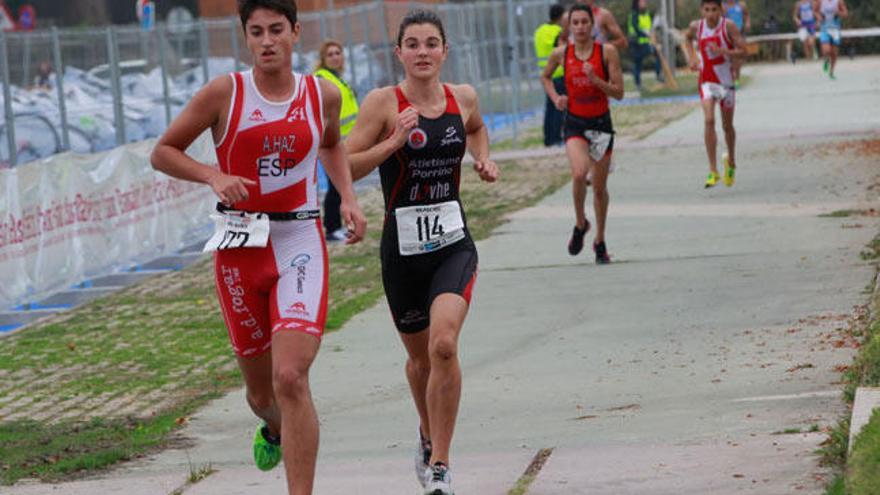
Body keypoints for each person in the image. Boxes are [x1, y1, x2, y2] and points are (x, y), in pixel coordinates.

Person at [150, 1, 367, 494]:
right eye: (256, 32)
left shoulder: (322, 94)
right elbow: (163, 151)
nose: (267, 41)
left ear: (296, 32)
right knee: (261, 392)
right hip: (240, 244)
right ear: (245, 38)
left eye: (276, 30)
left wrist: (347, 198)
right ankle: (274, 428)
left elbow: (332, 145)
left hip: (298, 238)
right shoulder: (225, 93)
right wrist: (213, 174)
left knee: (291, 377)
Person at [344, 10, 498, 495]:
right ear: (400, 53)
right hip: (403, 251)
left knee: (444, 345)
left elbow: (476, 126)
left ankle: (441, 466)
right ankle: (427, 432)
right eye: (413, 44)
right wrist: (392, 140)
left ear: (445, 51)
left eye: (432, 43)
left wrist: (482, 157)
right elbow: (344, 161)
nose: (423, 52)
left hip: (452, 243)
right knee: (421, 362)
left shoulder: (462, 98)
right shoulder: (382, 103)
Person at [541, 4, 624, 264]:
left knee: (599, 189)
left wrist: (596, 80)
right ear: (569, 27)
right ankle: (580, 224)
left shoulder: (606, 52)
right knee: (578, 173)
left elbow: (619, 93)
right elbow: (545, 77)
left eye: (584, 22)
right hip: (575, 123)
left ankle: (599, 239)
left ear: (592, 25)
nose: (579, 27)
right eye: (575, 23)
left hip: (601, 125)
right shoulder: (561, 54)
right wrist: (556, 97)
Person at [684, 0, 747, 189]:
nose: (710, 14)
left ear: (721, 10)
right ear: (701, 10)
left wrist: (724, 51)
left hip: (726, 82)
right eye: (706, 10)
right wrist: (692, 57)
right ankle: (713, 170)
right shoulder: (697, 26)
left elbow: (744, 51)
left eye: (714, 10)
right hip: (707, 81)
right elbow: (686, 39)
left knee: (727, 126)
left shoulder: (729, 27)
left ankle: (732, 161)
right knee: (709, 120)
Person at [313, 39, 359, 242]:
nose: (335, 57)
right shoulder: (322, 78)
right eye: (330, 54)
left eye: (337, 53)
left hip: (344, 140)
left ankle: (338, 225)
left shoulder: (338, 78)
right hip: (331, 142)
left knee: (341, 185)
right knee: (335, 185)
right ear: (323, 59)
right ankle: (332, 228)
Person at [534, 4, 567, 146]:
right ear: (560, 17)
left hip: (544, 72)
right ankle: (556, 138)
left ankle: (548, 138)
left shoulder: (539, 31)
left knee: (549, 108)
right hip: (558, 72)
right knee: (559, 106)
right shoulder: (559, 31)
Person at [628, 0, 663, 91]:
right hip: (637, 43)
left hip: (646, 42)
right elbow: (636, 28)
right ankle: (638, 84)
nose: (644, 3)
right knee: (638, 64)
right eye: (642, 2)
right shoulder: (634, 14)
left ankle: (659, 76)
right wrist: (645, 34)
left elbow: (650, 26)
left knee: (657, 54)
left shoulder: (646, 14)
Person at [816, 0, 847, 79]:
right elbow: (815, 11)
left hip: (835, 30)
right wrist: (818, 17)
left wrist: (839, 13)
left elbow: (845, 13)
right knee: (826, 50)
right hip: (825, 29)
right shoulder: (820, 1)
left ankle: (831, 72)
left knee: (834, 54)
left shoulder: (839, 1)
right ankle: (826, 59)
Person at [722, 0, 749, 81]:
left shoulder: (741, 4)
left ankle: (737, 77)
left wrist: (747, 23)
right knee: (728, 56)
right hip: (727, 34)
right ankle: (729, 76)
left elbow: (747, 15)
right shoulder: (722, 6)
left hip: (739, 33)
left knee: (738, 56)